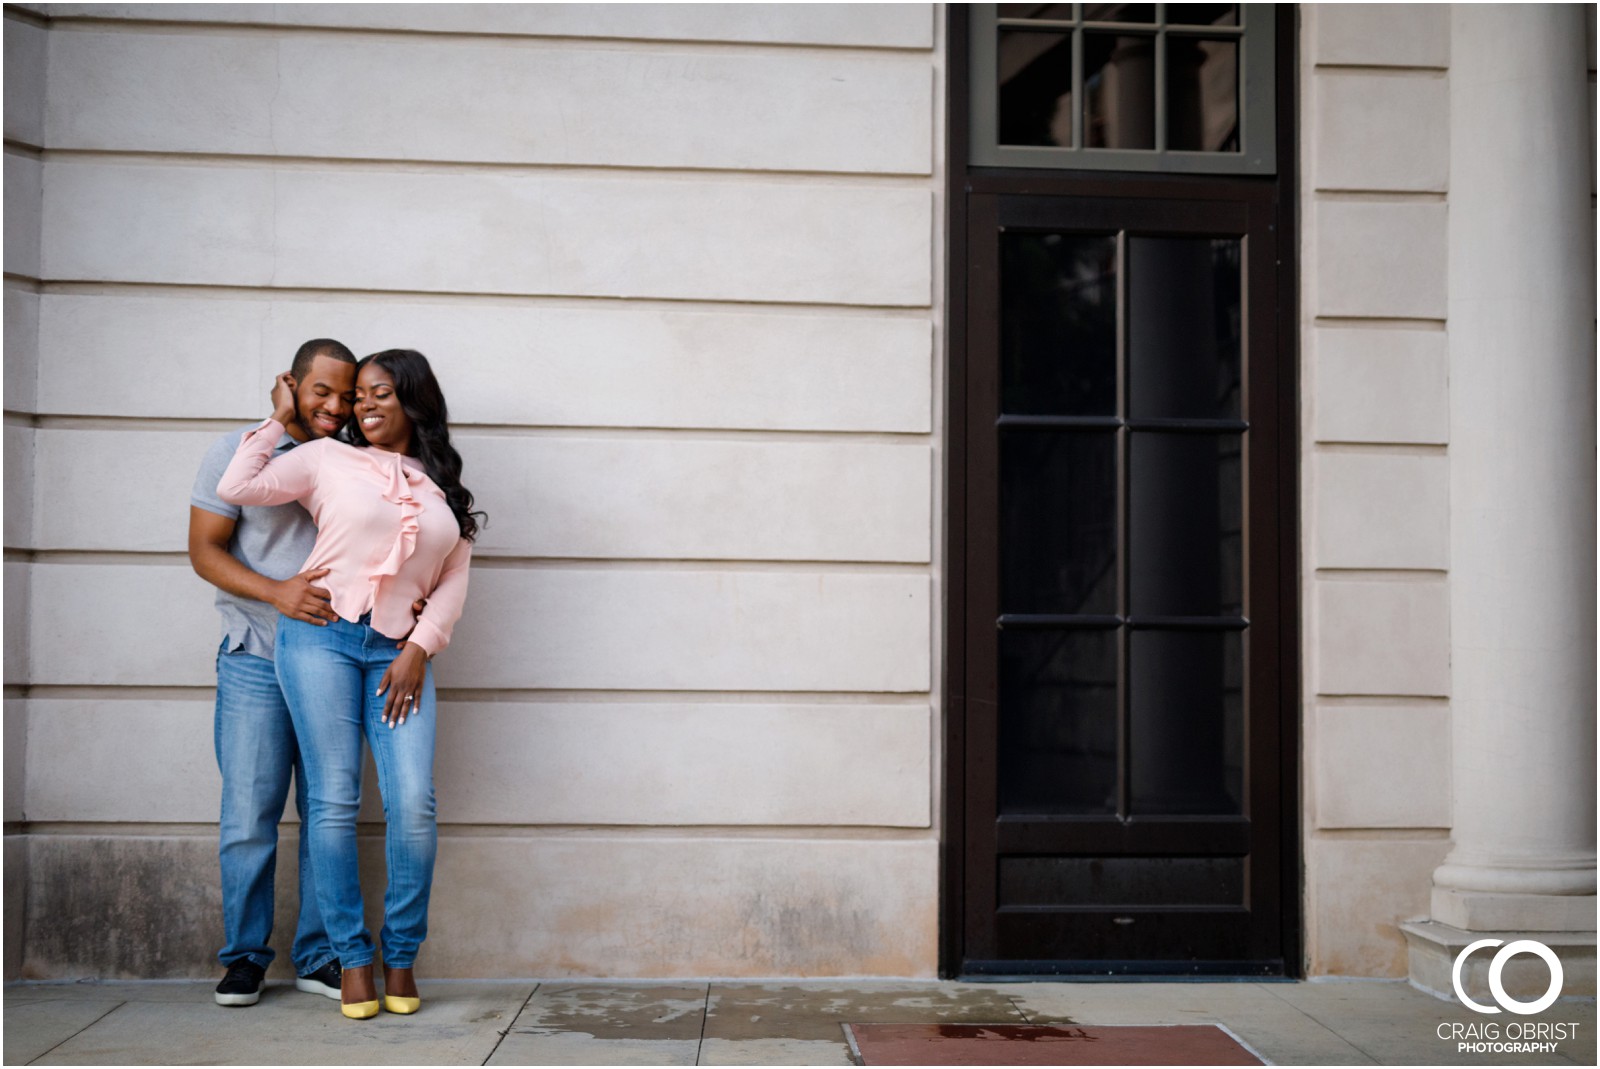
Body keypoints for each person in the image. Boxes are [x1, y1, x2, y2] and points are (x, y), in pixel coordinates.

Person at [215, 349, 481, 1019]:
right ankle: (351, 958)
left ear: (413, 400)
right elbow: (238, 487)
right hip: (321, 640)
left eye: (379, 392)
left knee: (413, 800)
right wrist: (277, 419)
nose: (362, 404)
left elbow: (453, 580)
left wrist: (419, 647)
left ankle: (400, 955)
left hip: (401, 657)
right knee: (333, 799)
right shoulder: (325, 457)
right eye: (359, 394)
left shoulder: (441, 483)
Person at [188, 338, 356, 1007]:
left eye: (346, 395)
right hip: (255, 656)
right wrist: (276, 591)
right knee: (248, 816)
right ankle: (245, 958)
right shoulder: (235, 451)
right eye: (323, 391)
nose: (336, 407)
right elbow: (205, 551)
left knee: (327, 815)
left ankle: (319, 956)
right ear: (290, 383)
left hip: (332, 664)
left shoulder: (353, 460)